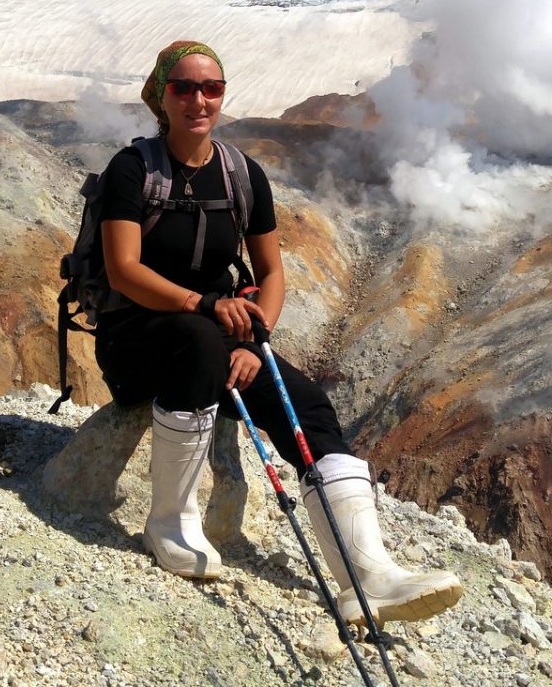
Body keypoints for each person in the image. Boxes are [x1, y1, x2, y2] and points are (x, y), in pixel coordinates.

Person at [95, 40, 462, 626]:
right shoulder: (133, 170)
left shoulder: (242, 175)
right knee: (196, 340)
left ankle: (365, 573)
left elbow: (270, 273)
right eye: (184, 88)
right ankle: (170, 522)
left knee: (310, 406)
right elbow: (124, 271)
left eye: (211, 88)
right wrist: (207, 312)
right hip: (136, 340)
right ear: (161, 95)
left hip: (222, 340)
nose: (199, 100)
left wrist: (246, 338)